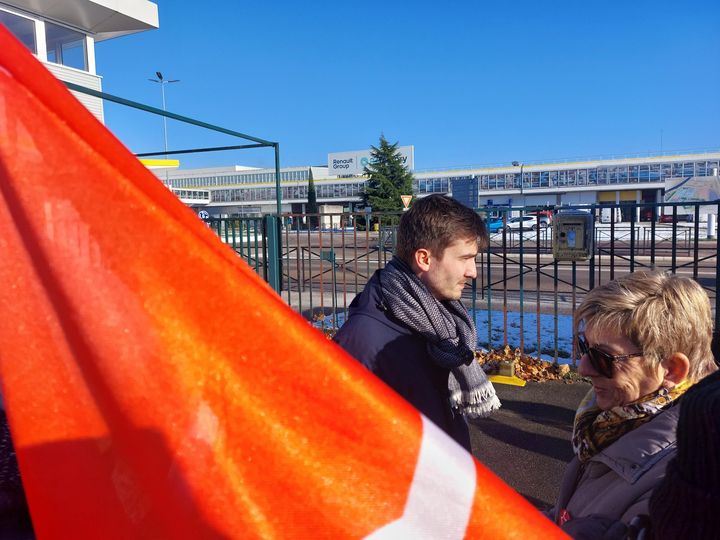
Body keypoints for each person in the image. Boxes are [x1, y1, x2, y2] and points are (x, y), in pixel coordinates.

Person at [551, 271, 718, 537]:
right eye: (585, 348)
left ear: (672, 370)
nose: (583, 368)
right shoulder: (611, 422)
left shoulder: (682, 482)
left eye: (604, 357)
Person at [334, 195, 499, 451]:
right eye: (464, 258)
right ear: (424, 259)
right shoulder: (363, 341)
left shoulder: (440, 319)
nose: (473, 271)